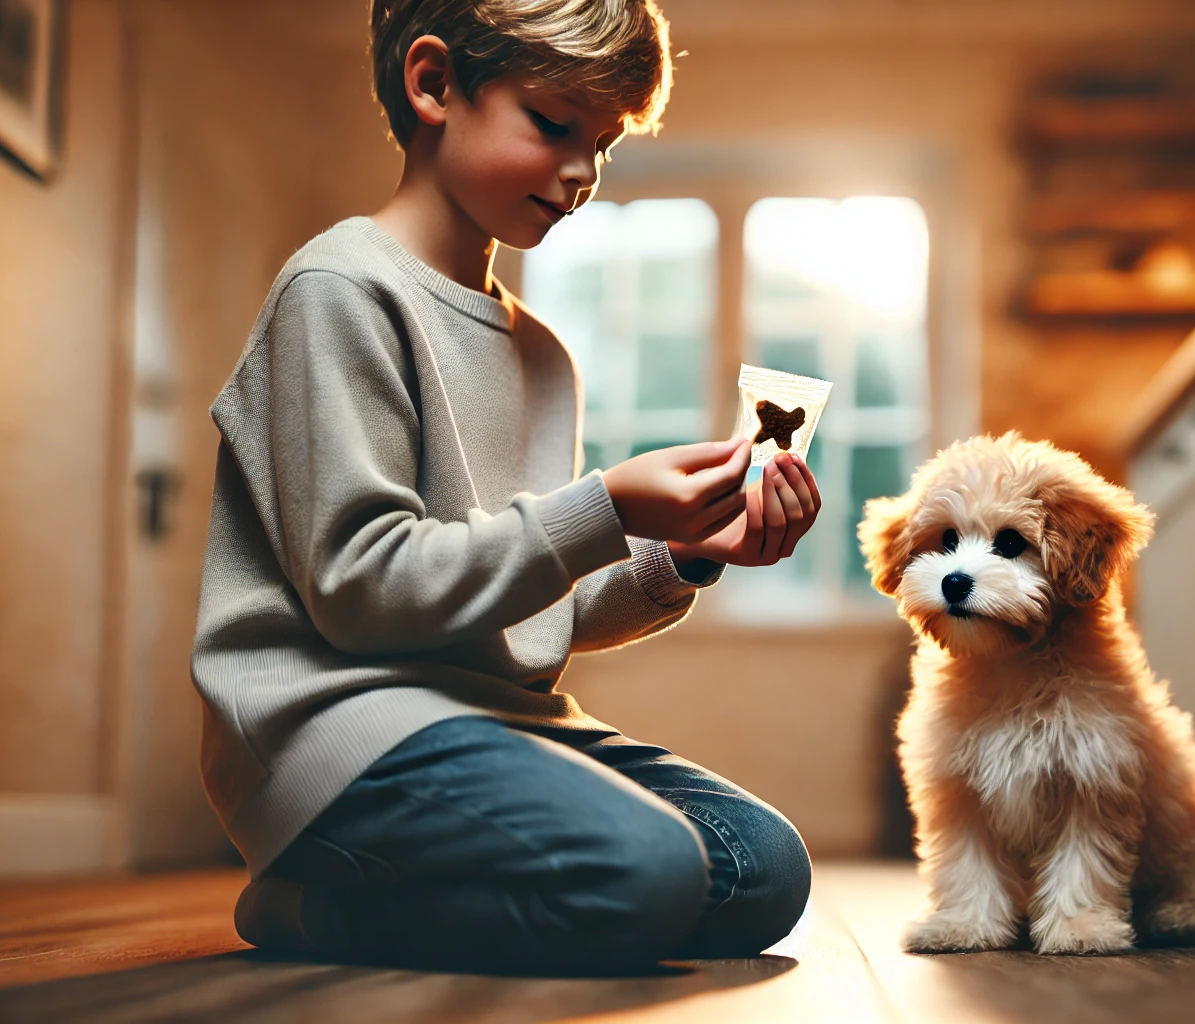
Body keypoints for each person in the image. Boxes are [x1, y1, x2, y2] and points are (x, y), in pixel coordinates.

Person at [191, 0, 819, 973]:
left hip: (486, 718)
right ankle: (312, 906)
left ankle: (474, 890)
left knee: (765, 865)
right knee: (650, 870)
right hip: (341, 730)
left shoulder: (540, 354)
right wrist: (605, 506)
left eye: (603, 144)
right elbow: (364, 593)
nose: (583, 174)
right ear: (434, 84)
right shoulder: (339, 290)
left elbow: (531, 617)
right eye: (556, 125)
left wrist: (681, 552)